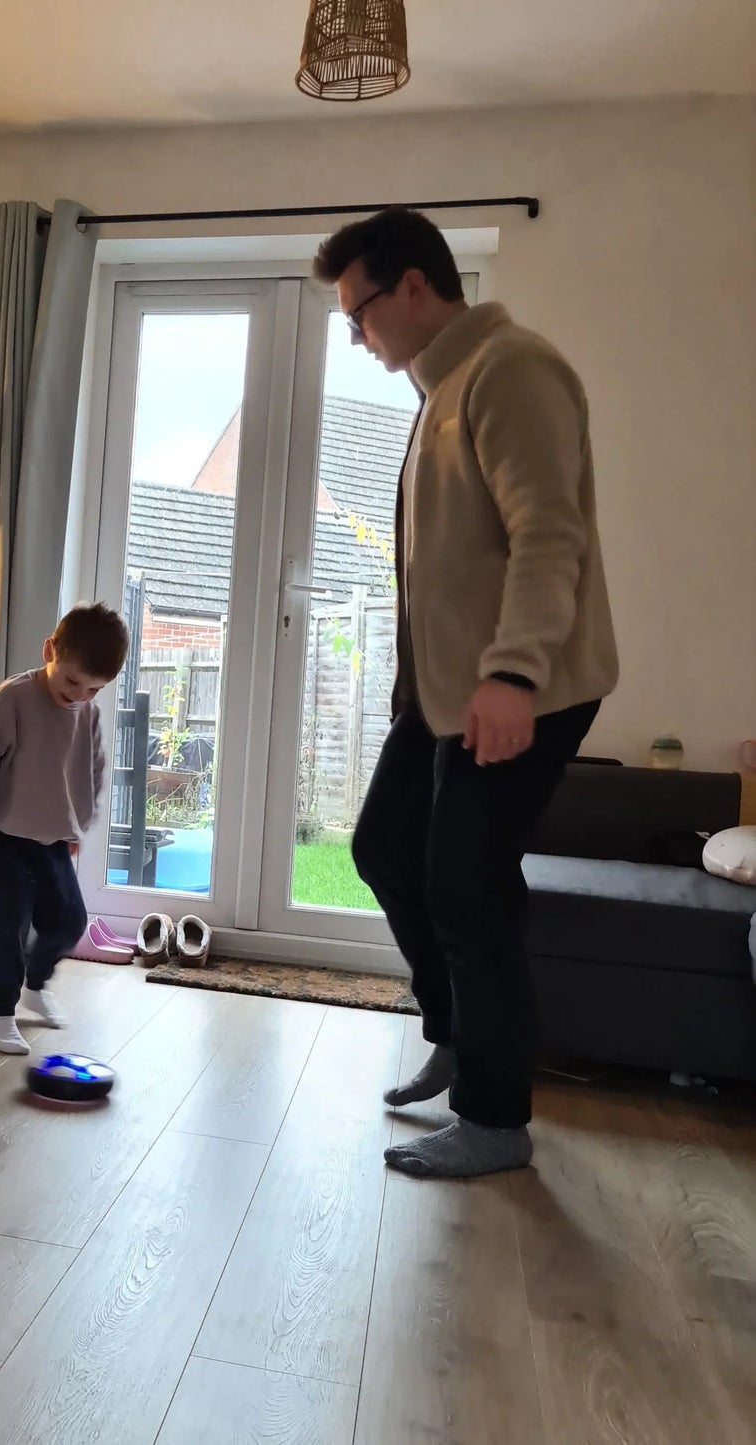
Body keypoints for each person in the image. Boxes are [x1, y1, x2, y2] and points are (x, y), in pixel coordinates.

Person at [313, 208, 618, 1179]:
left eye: (356, 313)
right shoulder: (440, 389)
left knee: (468, 889)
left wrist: (512, 672)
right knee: (378, 848)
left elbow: (546, 534)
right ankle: (453, 1032)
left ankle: (495, 1118)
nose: (355, 337)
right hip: (447, 693)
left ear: (410, 286)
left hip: (517, 685)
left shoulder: (510, 369)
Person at [0, 603, 129, 1054]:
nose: (79, 695)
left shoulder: (88, 713)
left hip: (52, 838)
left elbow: (93, 770)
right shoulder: (12, 699)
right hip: (0, 836)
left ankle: (35, 984)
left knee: (68, 921)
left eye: (93, 689)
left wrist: (76, 826)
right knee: (6, 928)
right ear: (50, 650)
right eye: (71, 681)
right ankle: (0, 1015)